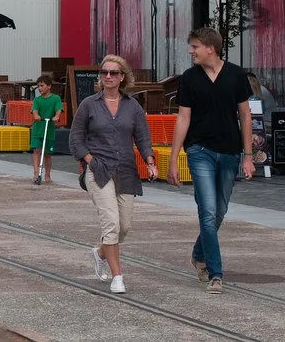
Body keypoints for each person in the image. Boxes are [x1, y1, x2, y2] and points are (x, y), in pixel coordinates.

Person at [168, 27, 254, 295]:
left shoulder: (237, 75)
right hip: (199, 151)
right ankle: (215, 273)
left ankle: (198, 253)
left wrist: (249, 156)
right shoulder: (189, 78)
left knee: (219, 212)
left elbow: (246, 115)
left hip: (230, 151)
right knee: (207, 211)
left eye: (194, 46)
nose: (190, 51)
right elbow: (183, 118)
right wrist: (173, 159)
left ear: (210, 48)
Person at [69, 54, 157, 295]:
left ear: (122, 77)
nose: (108, 76)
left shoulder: (132, 106)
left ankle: (99, 253)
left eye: (113, 73)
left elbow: (142, 136)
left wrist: (149, 160)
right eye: (104, 72)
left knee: (124, 227)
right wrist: (89, 160)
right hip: (99, 171)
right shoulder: (89, 104)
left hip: (126, 171)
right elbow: (75, 138)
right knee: (111, 224)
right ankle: (118, 277)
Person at [30, 75, 63, 183]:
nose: (39, 88)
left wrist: (56, 116)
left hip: (49, 129)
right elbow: (34, 110)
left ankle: (47, 175)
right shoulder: (37, 100)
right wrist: (36, 115)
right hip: (38, 129)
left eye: (42, 86)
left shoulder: (55, 98)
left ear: (49, 86)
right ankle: (36, 173)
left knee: (48, 154)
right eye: (38, 86)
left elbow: (58, 109)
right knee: (36, 150)